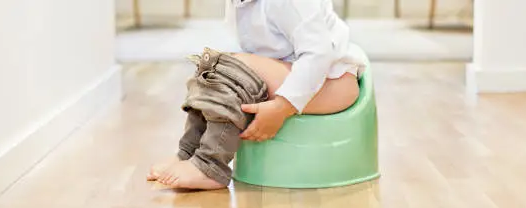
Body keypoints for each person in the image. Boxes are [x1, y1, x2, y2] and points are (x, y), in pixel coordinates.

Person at [148, 0, 366, 190]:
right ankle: (188, 153)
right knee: (212, 70)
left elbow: (319, 54)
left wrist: (282, 107)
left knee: (227, 70)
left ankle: (210, 166)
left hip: (333, 82)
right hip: (300, 74)